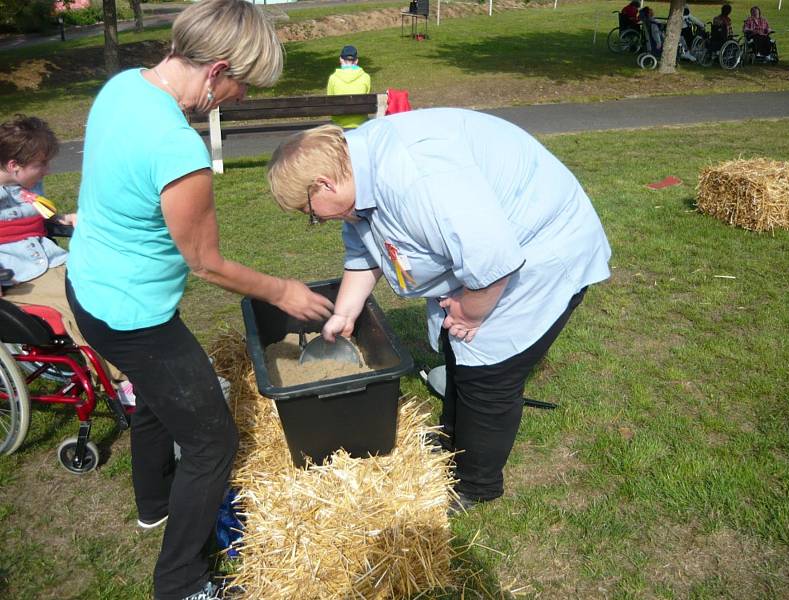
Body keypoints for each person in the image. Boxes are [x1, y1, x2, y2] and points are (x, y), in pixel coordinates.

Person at [65, 1, 333, 599]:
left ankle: (154, 502)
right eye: (240, 85)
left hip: (90, 290)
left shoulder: (122, 88)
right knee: (213, 442)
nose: (238, 98)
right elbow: (206, 262)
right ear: (216, 70)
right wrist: (283, 289)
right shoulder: (178, 148)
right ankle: (181, 582)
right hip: (136, 317)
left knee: (161, 402)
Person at [266, 109, 612, 513]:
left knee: (490, 377)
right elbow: (363, 248)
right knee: (458, 353)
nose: (317, 220)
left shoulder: (417, 178)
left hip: (540, 251)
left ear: (324, 183)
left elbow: (494, 259)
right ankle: (455, 442)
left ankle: (476, 484)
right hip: (494, 255)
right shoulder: (354, 170)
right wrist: (344, 313)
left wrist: (471, 313)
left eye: (311, 213)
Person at [0, 115, 132, 399]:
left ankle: (156, 360)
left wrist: (66, 219)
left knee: (121, 284)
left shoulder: (27, 187)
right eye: (41, 164)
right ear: (14, 166)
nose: (47, 171)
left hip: (51, 260)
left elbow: (37, 219)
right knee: (83, 304)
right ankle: (122, 381)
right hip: (16, 278)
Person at [326, 44, 372, 129]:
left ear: (340, 59)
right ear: (356, 61)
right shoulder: (366, 77)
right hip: (360, 122)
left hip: (339, 123)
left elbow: (330, 101)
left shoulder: (333, 78)